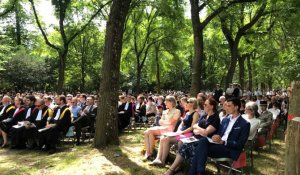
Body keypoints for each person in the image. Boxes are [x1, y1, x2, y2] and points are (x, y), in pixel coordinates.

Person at [188, 98, 250, 175]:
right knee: (202, 142)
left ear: (236, 107)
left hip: (229, 149)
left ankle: (197, 172)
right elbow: (219, 134)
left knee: (200, 148)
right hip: (217, 145)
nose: (226, 107)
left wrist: (224, 142)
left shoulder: (244, 124)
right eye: (226, 105)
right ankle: (200, 171)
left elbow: (240, 145)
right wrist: (215, 136)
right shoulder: (225, 120)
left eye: (229, 106)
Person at [162, 98, 220, 175]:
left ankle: (171, 170)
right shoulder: (204, 115)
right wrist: (199, 130)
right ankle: (173, 168)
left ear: (212, 106)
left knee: (185, 145)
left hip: (204, 142)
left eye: (206, 105)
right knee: (182, 144)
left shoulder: (215, 118)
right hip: (195, 137)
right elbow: (195, 130)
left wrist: (198, 128)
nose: (204, 106)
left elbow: (205, 132)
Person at [150, 98, 199, 166]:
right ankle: (158, 159)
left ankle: (163, 161)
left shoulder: (195, 114)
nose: (186, 104)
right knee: (163, 138)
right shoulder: (187, 113)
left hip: (188, 134)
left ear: (192, 104)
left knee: (166, 139)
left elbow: (192, 127)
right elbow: (182, 124)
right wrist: (178, 131)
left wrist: (182, 132)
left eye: (187, 102)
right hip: (180, 133)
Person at [143, 96, 181, 161]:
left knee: (149, 131)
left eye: (166, 101)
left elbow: (171, 122)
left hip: (170, 130)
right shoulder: (165, 111)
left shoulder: (177, 111)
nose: (165, 103)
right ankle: (149, 152)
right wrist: (165, 122)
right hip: (162, 127)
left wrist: (164, 122)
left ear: (171, 102)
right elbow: (160, 122)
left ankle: (149, 153)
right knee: (146, 132)